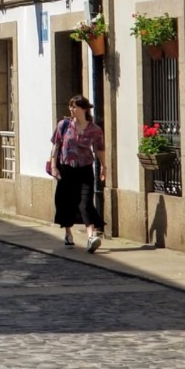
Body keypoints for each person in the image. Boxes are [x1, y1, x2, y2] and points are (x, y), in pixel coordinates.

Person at [49, 94, 108, 252]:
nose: (71, 109)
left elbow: (99, 149)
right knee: (66, 202)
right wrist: (53, 166)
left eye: (74, 106)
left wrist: (104, 166)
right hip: (66, 169)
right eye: (70, 106)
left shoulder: (94, 130)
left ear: (84, 109)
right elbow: (56, 146)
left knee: (85, 202)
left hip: (85, 169)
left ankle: (91, 237)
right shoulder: (64, 125)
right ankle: (68, 233)